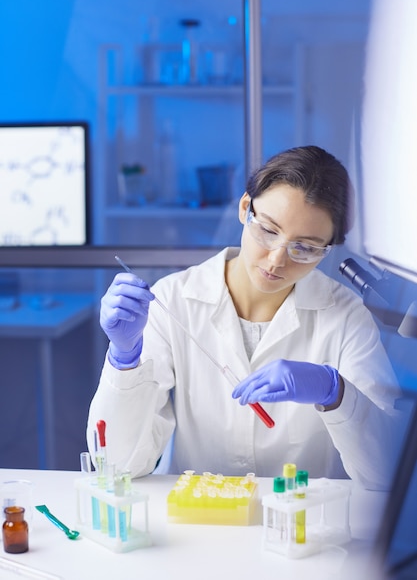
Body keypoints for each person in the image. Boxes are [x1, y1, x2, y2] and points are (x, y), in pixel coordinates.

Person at [87, 145, 402, 490]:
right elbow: (118, 465)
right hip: (197, 523)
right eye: (268, 230)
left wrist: (335, 392)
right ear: (244, 209)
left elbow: (388, 473)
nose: (276, 260)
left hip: (301, 528)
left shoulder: (346, 316)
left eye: (307, 248)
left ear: (328, 249)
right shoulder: (174, 299)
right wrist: (124, 357)